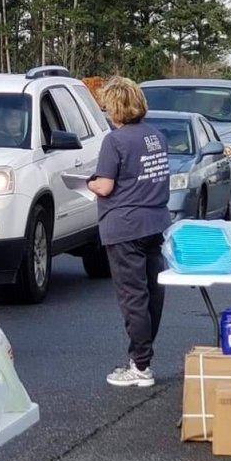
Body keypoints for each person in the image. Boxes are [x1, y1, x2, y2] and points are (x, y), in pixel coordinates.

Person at [87, 76, 171, 388]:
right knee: (152, 293)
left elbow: (106, 186)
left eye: (108, 105)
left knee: (132, 296)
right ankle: (143, 357)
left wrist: (89, 183)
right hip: (155, 221)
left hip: (124, 226)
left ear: (116, 107)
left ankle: (140, 365)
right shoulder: (156, 137)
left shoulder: (115, 141)